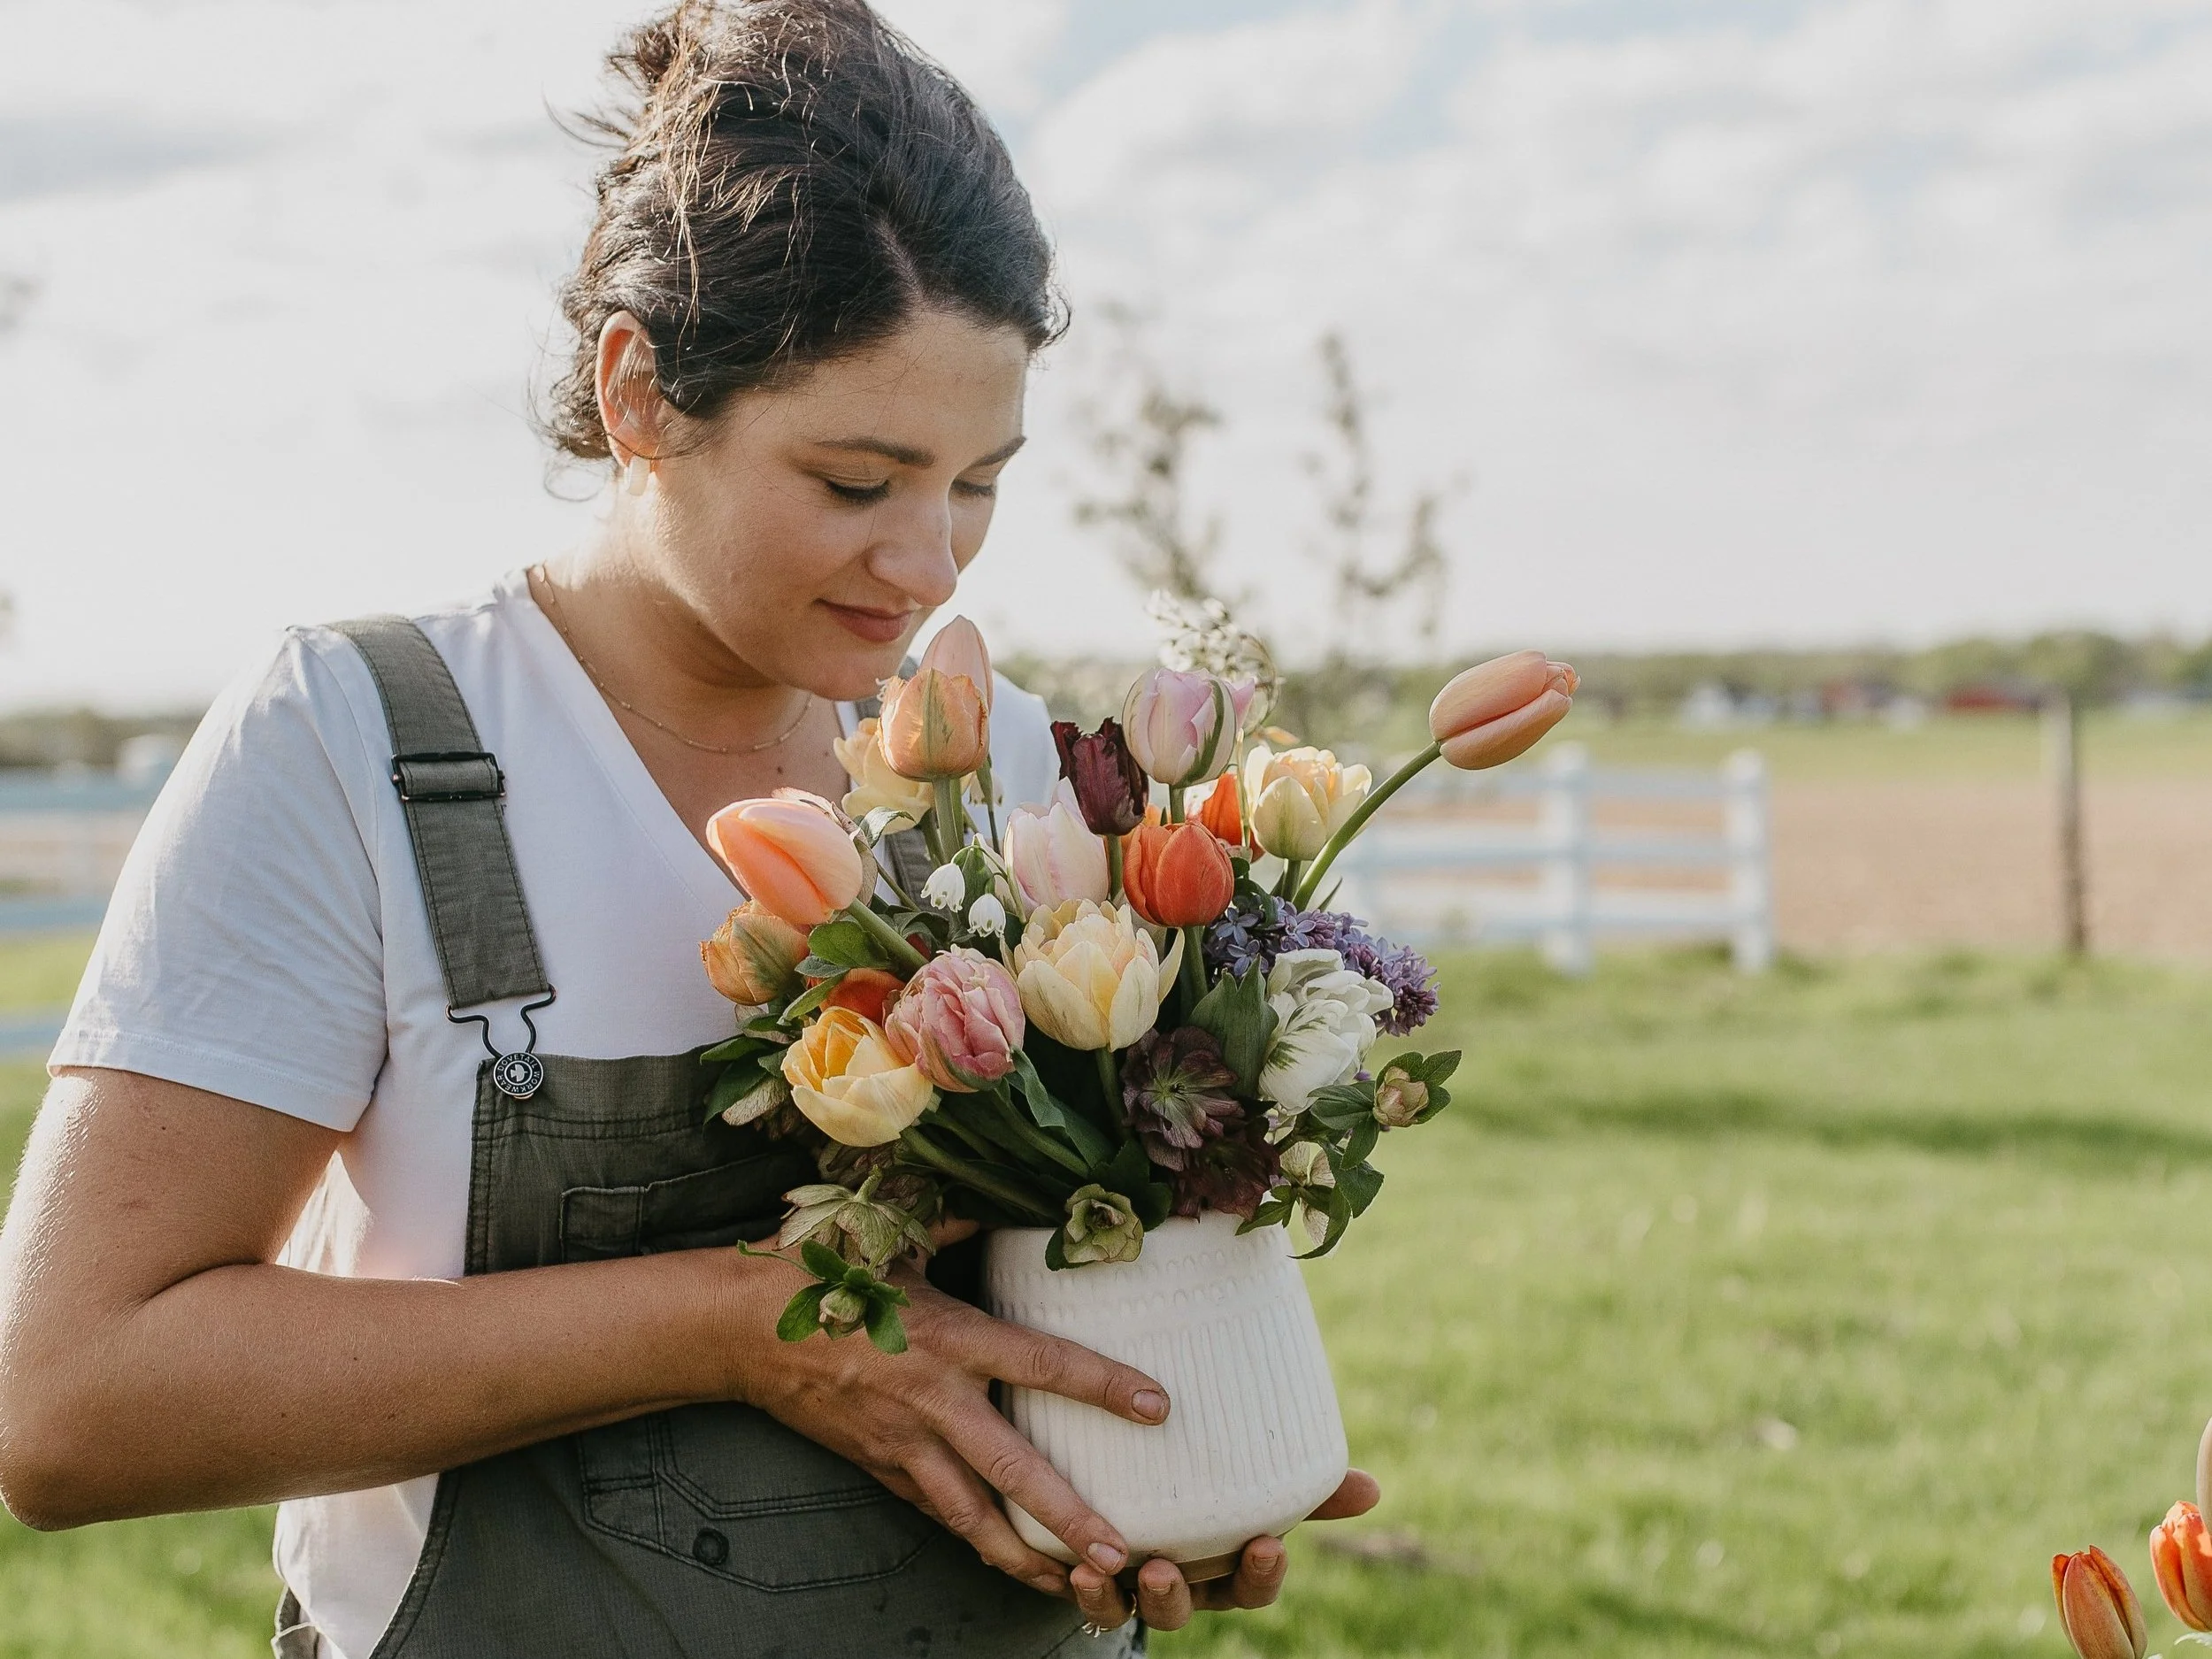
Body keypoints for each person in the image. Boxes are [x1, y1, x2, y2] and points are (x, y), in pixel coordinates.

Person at [0, 4, 1378, 1655]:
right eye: (861, 481)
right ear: (640, 391)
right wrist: (738, 1323)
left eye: (980, 480)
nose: (933, 565)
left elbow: (1059, 1303)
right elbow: (73, 1402)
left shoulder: (1017, 774)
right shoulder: (357, 743)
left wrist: (1164, 1476)